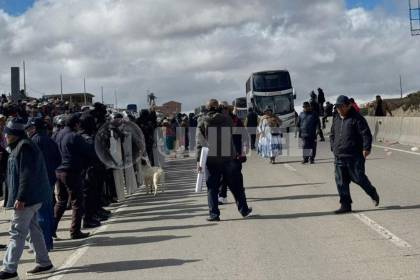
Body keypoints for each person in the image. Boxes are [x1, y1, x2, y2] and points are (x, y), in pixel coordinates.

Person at [1, 118, 54, 280]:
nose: (5, 136)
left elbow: (26, 174)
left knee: (16, 232)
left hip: (28, 198)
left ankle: (9, 269)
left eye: (7, 133)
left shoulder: (24, 147)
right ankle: (45, 263)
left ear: (14, 134)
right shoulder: (19, 146)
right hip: (32, 196)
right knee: (34, 229)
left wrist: (21, 197)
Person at [196, 99, 252, 221]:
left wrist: (198, 161)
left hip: (211, 159)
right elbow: (233, 128)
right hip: (228, 157)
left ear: (207, 108)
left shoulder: (202, 120)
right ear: (218, 107)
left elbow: (199, 142)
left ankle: (214, 214)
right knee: (236, 186)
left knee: (212, 188)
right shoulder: (226, 119)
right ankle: (244, 210)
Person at [330, 95, 380, 214]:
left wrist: (366, 148)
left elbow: (366, 134)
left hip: (354, 155)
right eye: (337, 107)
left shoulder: (357, 118)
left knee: (359, 178)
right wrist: (333, 147)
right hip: (339, 156)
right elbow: (332, 134)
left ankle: (372, 193)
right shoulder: (336, 118)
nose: (339, 109)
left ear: (348, 105)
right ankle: (345, 205)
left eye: (341, 106)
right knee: (341, 181)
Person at [54, 114, 94, 239]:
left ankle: (50, 229)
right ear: (76, 124)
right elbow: (88, 151)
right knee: (77, 202)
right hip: (71, 171)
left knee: (61, 201)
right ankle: (75, 231)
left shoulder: (57, 135)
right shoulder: (75, 136)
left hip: (58, 171)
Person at [25, 117, 60, 251]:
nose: (28, 131)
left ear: (34, 128)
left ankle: (44, 244)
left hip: (38, 182)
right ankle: (48, 240)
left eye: (29, 128)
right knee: (48, 210)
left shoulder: (33, 142)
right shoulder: (50, 140)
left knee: (41, 214)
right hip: (50, 179)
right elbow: (58, 159)